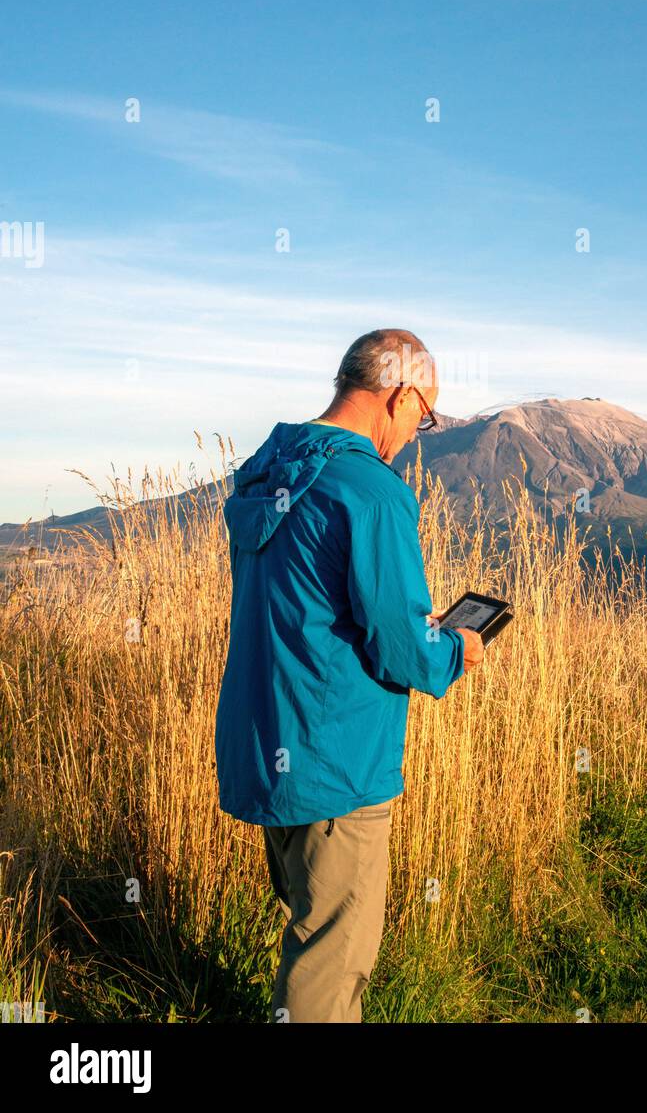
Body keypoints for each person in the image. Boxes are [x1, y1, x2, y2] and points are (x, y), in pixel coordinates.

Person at [214, 327, 485, 1022]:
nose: (416, 434)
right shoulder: (370, 491)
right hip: (338, 760)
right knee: (332, 959)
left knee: (309, 927)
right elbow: (401, 644)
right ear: (398, 395)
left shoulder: (266, 470)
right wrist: (456, 649)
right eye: (422, 417)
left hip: (263, 742)